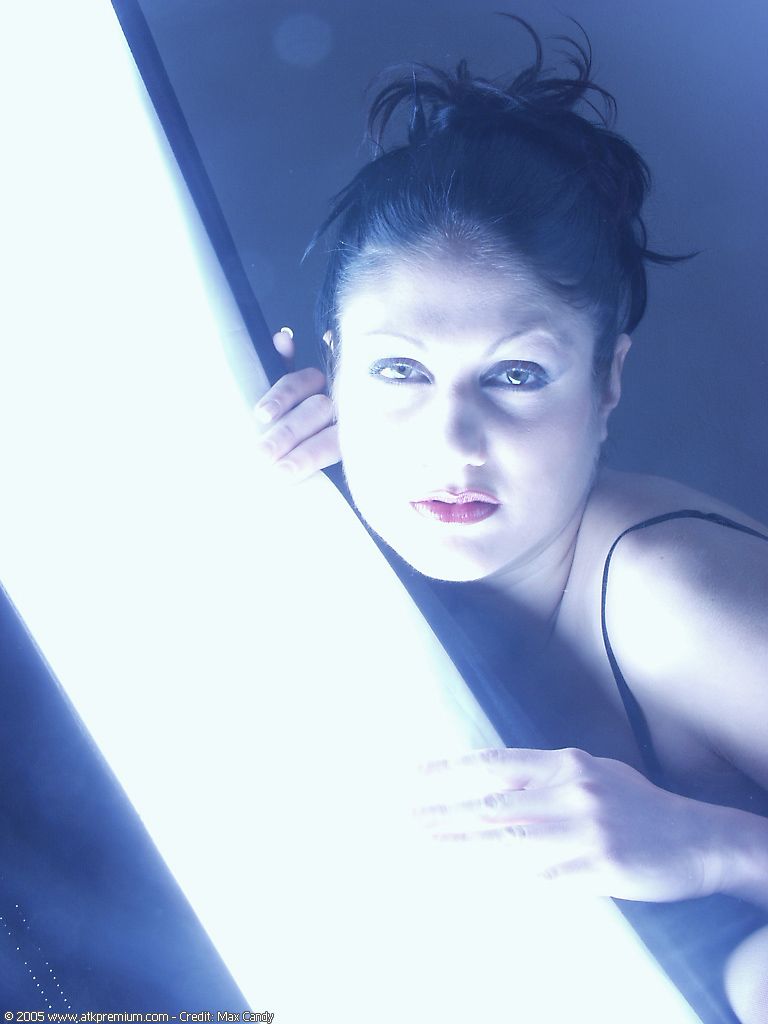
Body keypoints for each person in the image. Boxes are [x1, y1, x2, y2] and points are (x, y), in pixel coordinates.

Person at [252, 17, 768, 1023]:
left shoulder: (675, 605)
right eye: (400, 369)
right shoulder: (347, 513)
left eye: (517, 375)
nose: (454, 443)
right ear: (331, 369)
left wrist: (714, 845)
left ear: (607, 380)